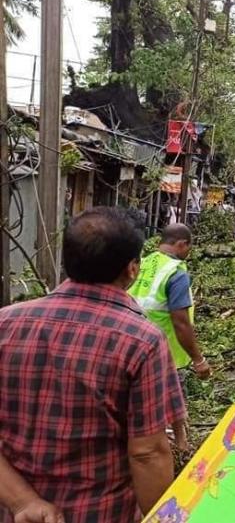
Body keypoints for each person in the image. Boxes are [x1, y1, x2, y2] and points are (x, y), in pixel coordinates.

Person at [0, 207, 186, 523]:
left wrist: (23, 502)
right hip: (101, 513)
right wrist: (162, 517)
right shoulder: (142, 341)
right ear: (132, 269)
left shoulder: (5, 323)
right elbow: (148, 453)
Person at [129, 224, 211, 381]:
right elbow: (180, 323)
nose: (188, 252)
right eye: (189, 248)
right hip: (164, 358)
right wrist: (199, 360)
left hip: (131, 351)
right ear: (181, 244)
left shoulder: (142, 263)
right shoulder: (176, 273)